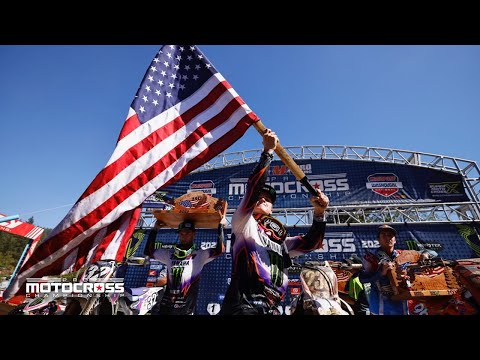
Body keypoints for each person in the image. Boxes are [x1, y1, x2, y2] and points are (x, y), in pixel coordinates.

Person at [219, 129, 329, 315]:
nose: (262, 199)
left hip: (271, 307)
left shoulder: (281, 243)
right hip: (243, 304)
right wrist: (268, 152)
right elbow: (253, 189)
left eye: (268, 199)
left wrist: (319, 213)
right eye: (259, 198)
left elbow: (313, 243)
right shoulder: (244, 223)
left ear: (272, 208)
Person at [144, 218, 226, 315]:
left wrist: (221, 227)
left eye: (187, 233)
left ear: (194, 234)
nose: (184, 236)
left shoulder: (200, 254)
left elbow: (220, 250)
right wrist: (155, 229)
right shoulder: (169, 254)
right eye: (181, 233)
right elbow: (148, 251)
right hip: (167, 305)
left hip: (186, 308)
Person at [359, 224, 437, 315]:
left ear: (395, 240)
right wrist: (381, 273)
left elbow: (434, 253)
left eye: (390, 235)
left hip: (401, 303)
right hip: (379, 304)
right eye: (383, 235)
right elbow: (362, 279)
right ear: (378, 240)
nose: (387, 238)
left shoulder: (404, 255)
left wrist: (425, 254)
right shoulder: (370, 257)